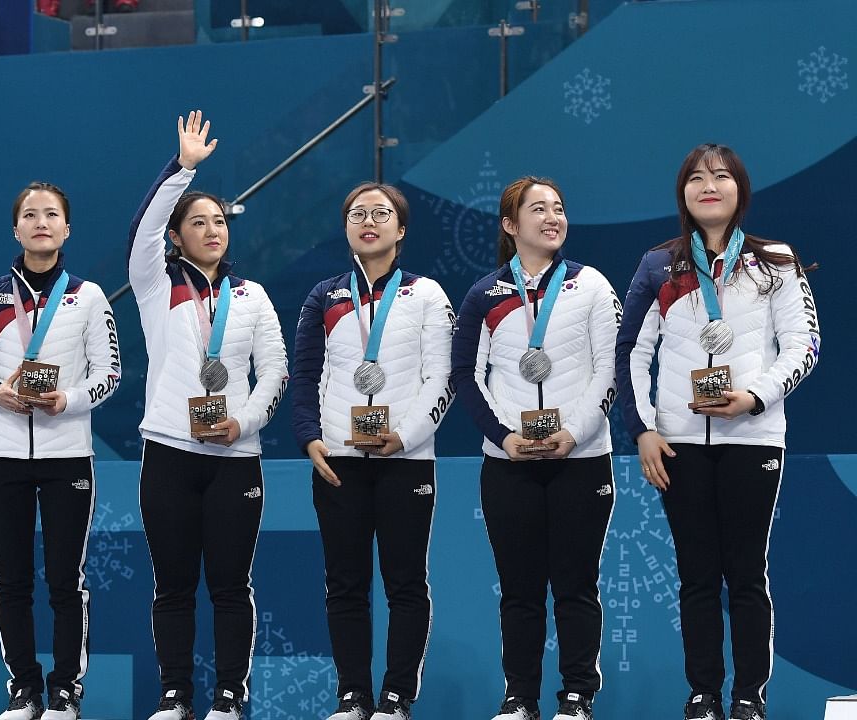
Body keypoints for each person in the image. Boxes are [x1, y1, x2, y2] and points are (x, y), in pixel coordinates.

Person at [616, 144, 820, 720]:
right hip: (678, 443)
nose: (710, 185)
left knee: (747, 573)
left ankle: (750, 697)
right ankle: (703, 695)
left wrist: (755, 397)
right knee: (697, 575)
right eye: (697, 178)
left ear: (740, 190)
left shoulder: (775, 261)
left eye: (722, 176)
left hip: (753, 439)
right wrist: (644, 431)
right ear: (682, 193)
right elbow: (631, 349)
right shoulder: (659, 265)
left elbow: (805, 344)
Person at [127, 111, 288, 720]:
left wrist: (242, 423)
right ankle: (174, 696)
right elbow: (140, 231)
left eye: (219, 221)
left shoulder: (252, 296)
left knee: (229, 585)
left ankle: (228, 695)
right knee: (173, 583)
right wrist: (183, 170)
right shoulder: (153, 283)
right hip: (168, 451)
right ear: (177, 236)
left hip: (234, 457)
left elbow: (274, 369)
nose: (213, 229)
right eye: (198, 222)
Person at [450, 177, 621, 720]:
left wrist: (575, 432)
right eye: (538, 209)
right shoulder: (484, 295)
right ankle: (519, 697)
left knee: (576, 585)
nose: (552, 217)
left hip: (583, 457)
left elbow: (609, 368)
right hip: (509, 464)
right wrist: (505, 437)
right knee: (519, 591)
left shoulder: (592, 285)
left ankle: (576, 696)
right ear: (509, 224)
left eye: (559, 209)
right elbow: (466, 376)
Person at [0, 182, 122, 720]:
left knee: (66, 579)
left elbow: (110, 374)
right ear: (16, 229)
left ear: (66, 228)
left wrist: (65, 400)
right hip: (0, 456)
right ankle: (23, 689)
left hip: (68, 455)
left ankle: (66, 690)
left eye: (51, 214)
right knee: (12, 579)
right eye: (30, 214)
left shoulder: (88, 296)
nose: (40, 221)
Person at [290, 180, 455, 720]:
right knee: (345, 584)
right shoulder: (325, 295)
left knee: (405, 582)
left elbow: (442, 379)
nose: (369, 220)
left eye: (381, 213)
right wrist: (310, 437)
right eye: (357, 213)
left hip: (406, 460)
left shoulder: (428, 294)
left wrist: (405, 435)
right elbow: (306, 373)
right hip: (339, 461)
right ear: (346, 229)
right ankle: (352, 696)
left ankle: (396, 697)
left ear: (401, 230)